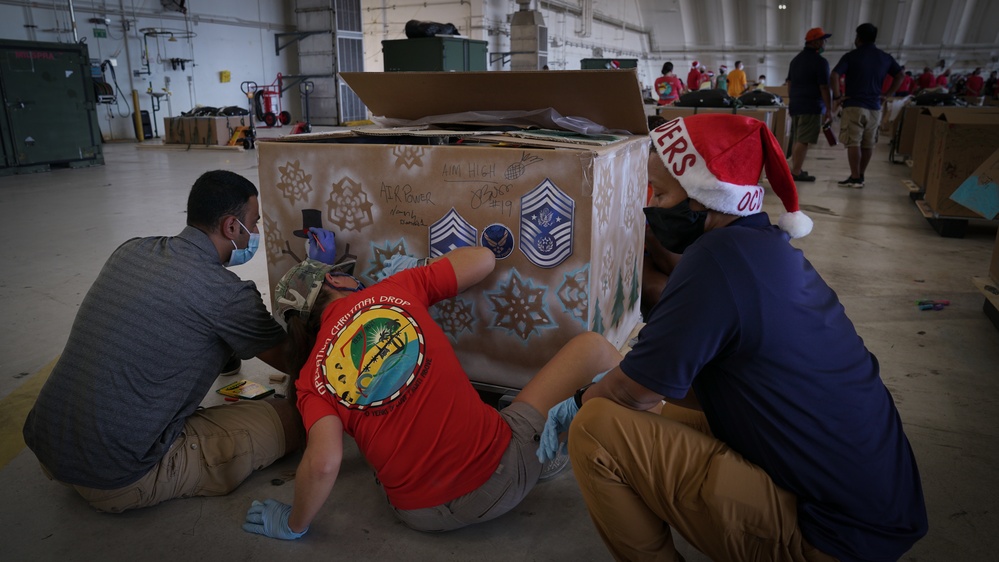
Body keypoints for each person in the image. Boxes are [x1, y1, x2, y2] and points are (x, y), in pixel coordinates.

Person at [541, 113, 929, 562]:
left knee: (597, 429)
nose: (652, 205)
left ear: (706, 198)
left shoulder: (714, 263)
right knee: (664, 410)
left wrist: (582, 399)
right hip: (877, 514)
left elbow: (631, 393)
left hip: (830, 538)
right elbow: (688, 384)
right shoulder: (762, 247)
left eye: (663, 193)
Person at [241, 247, 623, 540]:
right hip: (499, 477)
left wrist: (293, 524)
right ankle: (615, 444)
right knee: (594, 348)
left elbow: (324, 461)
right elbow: (484, 259)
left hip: (418, 514)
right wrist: (419, 268)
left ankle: (534, 450)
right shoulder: (396, 288)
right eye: (345, 276)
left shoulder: (311, 378)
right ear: (336, 283)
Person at [20, 170, 337, 513]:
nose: (256, 233)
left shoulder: (131, 250)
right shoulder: (227, 295)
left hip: (47, 444)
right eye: (254, 223)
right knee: (297, 419)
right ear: (232, 227)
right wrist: (314, 275)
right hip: (117, 475)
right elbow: (300, 365)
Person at [830, 23, 903, 188]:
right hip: (875, 107)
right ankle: (861, 175)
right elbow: (900, 75)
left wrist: (838, 96)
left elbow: (834, 74)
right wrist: (887, 94)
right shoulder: (885, 57)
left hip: (854, 105)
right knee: (868, 143)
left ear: (858, 38)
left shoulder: (851, 56)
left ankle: (854, 177)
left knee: (853, 141)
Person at [786, 27, 832, 183]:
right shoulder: (820, 62)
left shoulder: (796, 60)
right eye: (824, 40)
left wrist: (792, 100)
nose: (825, 43)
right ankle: (796, 172)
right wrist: (829, 109)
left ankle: (795, 169)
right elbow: (824, 87)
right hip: (811, 105)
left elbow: (789, 83)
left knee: (798, 138)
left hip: (796, 105)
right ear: (816, 42)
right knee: (803, 139)